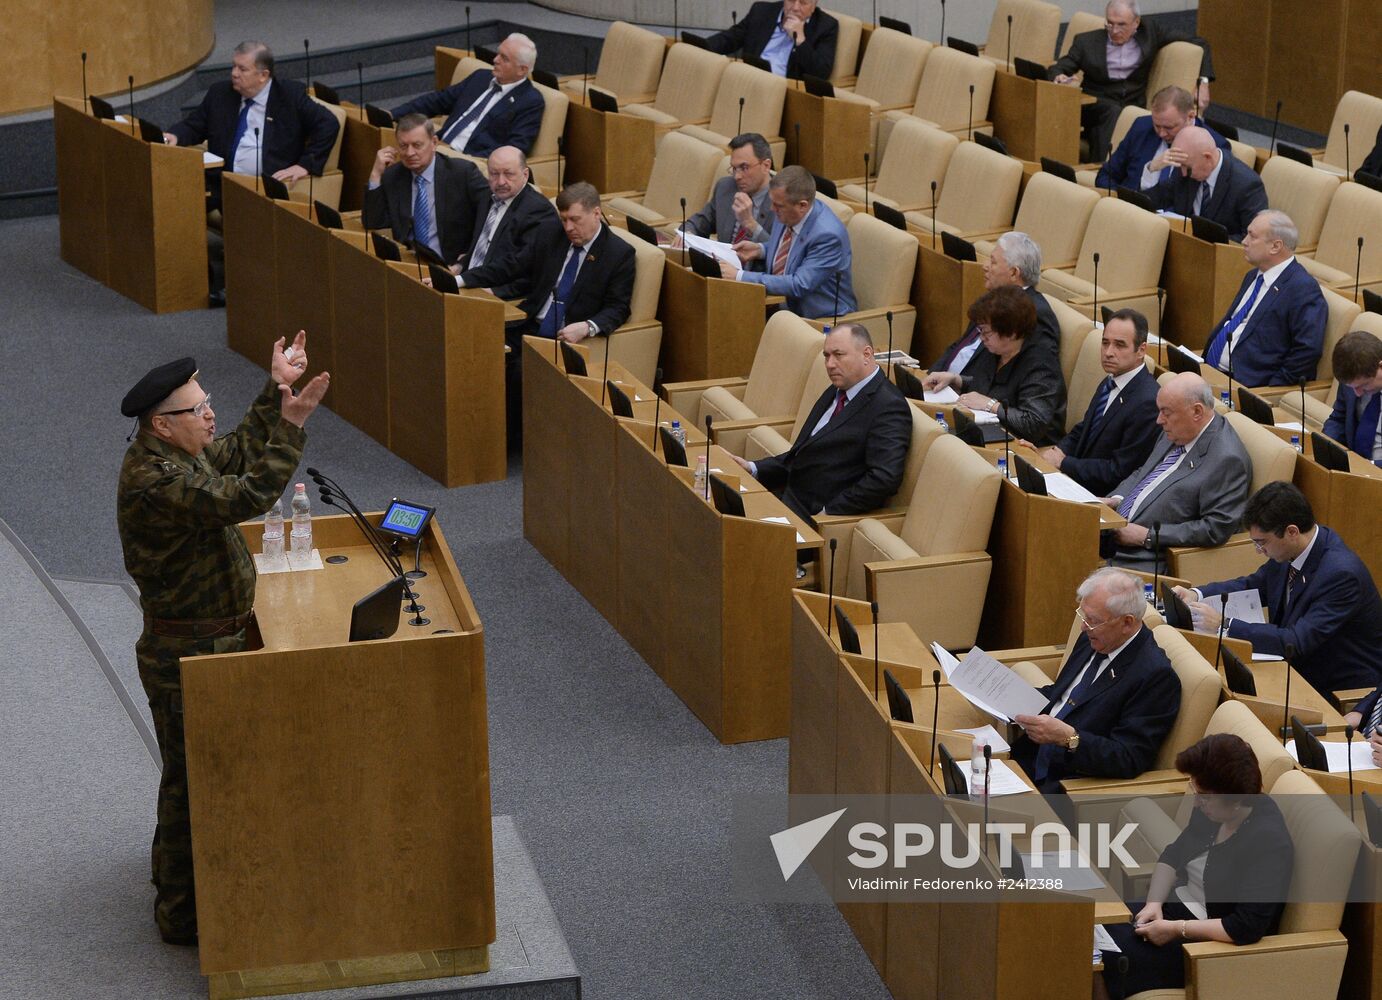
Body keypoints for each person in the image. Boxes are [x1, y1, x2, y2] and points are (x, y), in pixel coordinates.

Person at [116, 333, 331, 944]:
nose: (211, 413)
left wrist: (274, 392)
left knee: (210, 774)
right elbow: (242, 496)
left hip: (217, 642)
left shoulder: (182, 455)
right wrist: (289, 429)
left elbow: (232, 452)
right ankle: (179, 916)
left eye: (209, 401)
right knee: (190, 781)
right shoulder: (152, 480)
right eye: (197, 408)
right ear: (161, 424)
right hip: (185, 653)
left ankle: (202, 890)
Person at [1097, 733, 1293, 999]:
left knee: (1105, 959)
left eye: (1203, 796)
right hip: (1170, 912)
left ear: (1235, 801)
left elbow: (1245, 927)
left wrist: (1176, 929)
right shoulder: (1211, 807)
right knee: (1086, 929)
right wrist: (1154, 903)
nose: (1197, 801)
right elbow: (1173, 854)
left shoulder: (1268, 841)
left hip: (1206, 946)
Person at [1173, 482, 1382, 695]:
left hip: (1336, 686)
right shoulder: (1294, 550)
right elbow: (1253, 585)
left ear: (1292, 531)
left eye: (1261, 543)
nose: (1258, 551)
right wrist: (1196, 594)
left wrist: (1224, 624)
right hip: (1294, 667)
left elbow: (1296, 641)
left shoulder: (1341, 574)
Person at [462, 181, 635, 436]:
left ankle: (505, 442)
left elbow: (618, 308)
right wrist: (460, 280)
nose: (568, 228)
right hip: (530, 322)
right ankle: (474, 428)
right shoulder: (550, 233)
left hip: (565, 336)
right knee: (475, 345)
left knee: (521, 368)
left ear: (596, 213)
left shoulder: (618, 253)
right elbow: (511, 265)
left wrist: (587, 327)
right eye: (564, 219)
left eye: (575, 220)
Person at [1011, 569, 1180, 794]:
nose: (1083, 627)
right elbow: (1063, 695)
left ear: (1127, 623)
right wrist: (1009, 696)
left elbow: (1128, 757)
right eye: (1084, 616)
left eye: (1092, 620)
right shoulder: (1094, 638)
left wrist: (1070, 739)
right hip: (1027, 756)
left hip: (1067, 785)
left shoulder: (1154, 677)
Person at [731, 323, 911, 520]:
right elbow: (803, 454)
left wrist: (828, 512)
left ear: (866, 354)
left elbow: (883, 479)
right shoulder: (838, 389)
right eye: (826, 356)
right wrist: (753, 468)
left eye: (838, 355)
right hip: (786, 498)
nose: (830, 364)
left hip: (813, 516)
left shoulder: (888, 405)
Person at [1105, 372, 1251, 570]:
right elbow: (1144, 471)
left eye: (1166, 412)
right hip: (1114, 532)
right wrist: (1117, 499)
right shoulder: (1180, 428)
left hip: (1146, 556)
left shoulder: (1227, 460)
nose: (1159, 420)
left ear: (1197, 412)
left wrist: (1147, 536)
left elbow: (1214, 528)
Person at [1049, 1, 1213, 162]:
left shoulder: (1150, 33)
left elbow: (1201, 43)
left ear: (1136, 22)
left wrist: (1203, 82)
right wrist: (1060, 78)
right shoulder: (1087, 42)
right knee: (1112, 112)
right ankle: (1101, 169)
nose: (1114, 30)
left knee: (1141, 119)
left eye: (1121, 25)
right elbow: (1059, 68)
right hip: (1095, 105)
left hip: (1133, 105)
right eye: (1110, 23)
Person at [164, 41, 339, 186]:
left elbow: (328, 124)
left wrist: (305, 165)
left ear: (263, 75)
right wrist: (175, 136)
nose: (234, 74)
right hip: (219, 184)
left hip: (264, 189)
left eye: (242, 69)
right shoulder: (221, 93)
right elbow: (195, 125)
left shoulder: (289, 96)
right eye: (233, 67)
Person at [1036, 309, 1160, 496]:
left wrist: (1063, 462)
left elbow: (1119, 471)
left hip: (1101, 498)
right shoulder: (1110, 380)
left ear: (1141, 350)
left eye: (1119, 345)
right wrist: (1056, 452)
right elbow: (1083, 429)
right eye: (1105, 343)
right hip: (1075, 480)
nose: (1108, 352)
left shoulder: (1148, 402)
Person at [922, 286, 1067, 445]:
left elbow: (1032, 424)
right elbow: (992, 386)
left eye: (986, 332)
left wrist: (990, 405)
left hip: (1027, 449)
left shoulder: (1041, 365)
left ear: (1011, 333)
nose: (981, 338)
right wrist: (956, 379)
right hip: (989, 435)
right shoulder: (994, 350)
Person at [1200, 210, 1325, 387]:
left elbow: (1307, 351)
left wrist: (1270, 389)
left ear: (1275, 246)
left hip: (1247, 385)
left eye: (1252, 236)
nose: (1244, 242)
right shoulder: (1253, 275)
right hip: (1210, 370)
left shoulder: (1302, 288)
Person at [723, 166, 855, 319]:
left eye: (778, 206)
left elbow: (799, 284)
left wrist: (740, 276)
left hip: (820, 318)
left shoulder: (828, 235)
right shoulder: (787, 211)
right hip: (783, 307)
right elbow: (791, 248)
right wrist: (760, 249)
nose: (772, 209)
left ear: (802, 206)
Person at [363, 114, 488, 270]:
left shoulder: (463, 173)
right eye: (403, 146)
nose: (409, 153)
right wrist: (375, 175)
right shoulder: (394, 175)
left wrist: (466, 260)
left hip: (448, 267)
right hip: (408, 263)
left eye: (417, 145)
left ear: (434, 143)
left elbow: (489, 216)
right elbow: (372, 222)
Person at [928, 233, 1060, 377]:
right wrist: (931, 375)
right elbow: (960, 346)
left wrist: (963, 386)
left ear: (1014, 273)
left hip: (971, 394)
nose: (985, 266)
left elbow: (1029, 371)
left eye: (993, 262)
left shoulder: (1035, 314)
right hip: (943, 385)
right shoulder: (993, 300)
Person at [390, 34, 544, 156]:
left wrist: (467, 160)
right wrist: (392, 114)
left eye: (504, 59)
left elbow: (515, 149)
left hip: (468, 162)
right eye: (498, 54)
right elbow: (437, 101)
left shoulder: (530, 101)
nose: (495, 60)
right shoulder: (481, 78)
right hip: (438, 146)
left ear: (522, 70)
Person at [1095, 85, 1230, 192]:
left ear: (1190, 116)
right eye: (1157, 125)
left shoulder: (1214, 146)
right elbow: (1106, 175)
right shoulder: (1142, 127)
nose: (1161, 133)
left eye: (1169, 128)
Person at [461, 145, 557, 294]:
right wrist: (460, 267)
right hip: (469, 283)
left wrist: (465, 281)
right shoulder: (487, 197)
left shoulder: (539, 211)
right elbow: (480, 246)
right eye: (494, 174)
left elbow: (519, 266)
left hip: (499, 293)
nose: (500, 182)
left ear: (525, 174)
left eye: (508, 174)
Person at [1147, 126, 1266, 242]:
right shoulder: (1186, 167)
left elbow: (1253, 239)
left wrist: (1212, 242)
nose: (1183, 173)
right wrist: (1151, 168)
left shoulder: (1248, 185)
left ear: (1207, 158)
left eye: (1187, 167)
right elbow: (1152, 202)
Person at [680, 132, 775, 246]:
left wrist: (751, 225)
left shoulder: (783, 201)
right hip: (722, 261)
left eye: (744, 168)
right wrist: (687, 232)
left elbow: (781, 255)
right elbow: (702, 221)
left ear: (766, 165)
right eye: (734, 168)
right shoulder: (726, 187)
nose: (737, 176)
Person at [705, 0, 838, 81]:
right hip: (748, 78)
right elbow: (729, 39)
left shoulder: (826, 26)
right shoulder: (761, 11)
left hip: (784, 91)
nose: (795, 7)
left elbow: (821, 73)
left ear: (814, 5)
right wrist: (698, 46)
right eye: (791, 0)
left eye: (803, 2)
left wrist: (800, 40)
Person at [1323, 330, 1382, 467]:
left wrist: (1367, 466)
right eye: (1352, 387)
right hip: (1353, 467)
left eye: (1364, 385)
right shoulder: (1352, 382)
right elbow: (1339, 418)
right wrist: (1327, 449)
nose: (1358, 393)